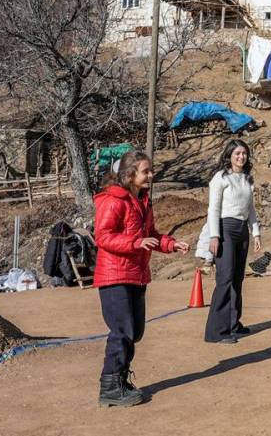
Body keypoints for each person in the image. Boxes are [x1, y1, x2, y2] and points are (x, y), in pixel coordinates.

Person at [93, 150, 190, 407]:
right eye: (145, 171)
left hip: (136, 274)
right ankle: (110, 387)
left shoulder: (143, 201)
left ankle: (121, 380)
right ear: (129, 174)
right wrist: (136, 242)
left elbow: (152, 235)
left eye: (150, 170)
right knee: (122, 330)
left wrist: (171, 244)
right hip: (115, 275)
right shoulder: (112, 200)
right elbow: (102, 237)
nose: (150, 175)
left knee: (135, 331)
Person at [204, 139, 262, 344]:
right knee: (225, 278)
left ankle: (233, 323)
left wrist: (255, 233)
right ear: (229, 155)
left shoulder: (247, 179)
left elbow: (251, 209)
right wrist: (214, 236)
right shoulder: (220, 178)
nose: (241, 157)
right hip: (225, 228)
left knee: (238, 278)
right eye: (237, 153)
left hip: (241, 230)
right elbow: (213, 209)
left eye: (244, 153)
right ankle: (216, 332)